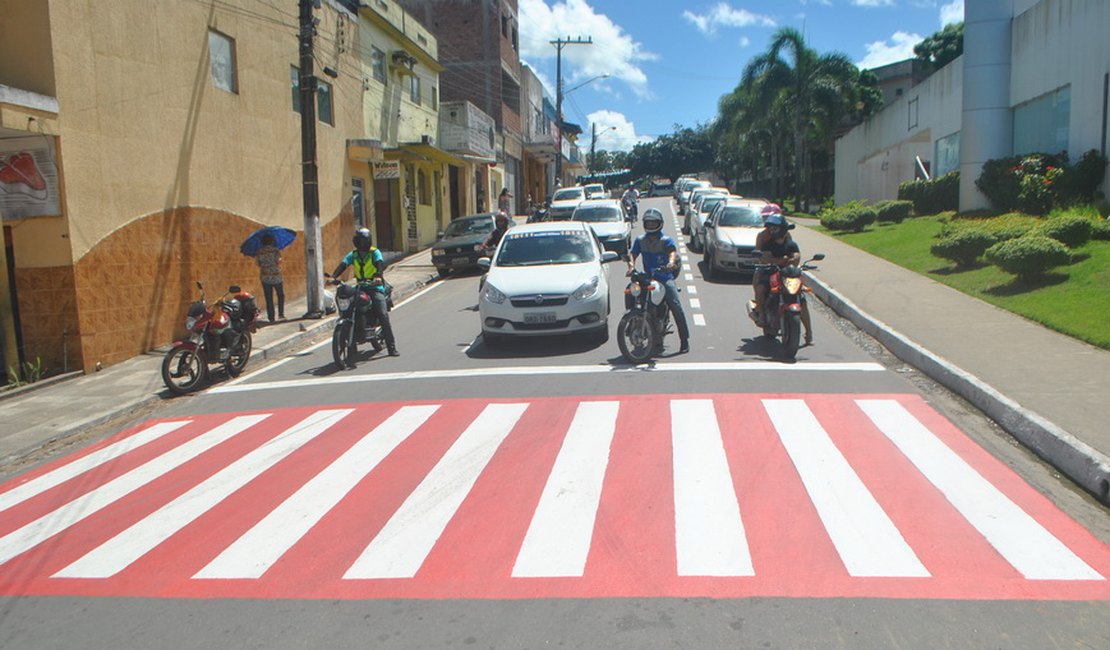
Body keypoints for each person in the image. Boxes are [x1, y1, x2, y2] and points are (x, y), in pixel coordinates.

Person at [627, 209, 690, 354]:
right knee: (630, 291)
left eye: (653, 222)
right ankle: (631, 321)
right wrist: (631, 266)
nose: (650, 225)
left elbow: (672, 253)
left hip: (664, 277)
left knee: (675, 304)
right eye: (648, 222)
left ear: (659, 224)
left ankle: (684, 339)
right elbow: (633, 254)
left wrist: (670, 263)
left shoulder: (666, 240)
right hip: (648, 277)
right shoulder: (640, 240)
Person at [331, 228, 398, 356]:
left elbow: (379, 264)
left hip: (375, 287)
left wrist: (378, 276)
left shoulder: (375, 252)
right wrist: (334, 276)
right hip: (361, 287)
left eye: (366, 240)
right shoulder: (354, 254)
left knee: (383, 314)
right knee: (350, 308)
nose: (364, 243)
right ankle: (353, 341)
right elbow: (343, 264)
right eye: (362, 240)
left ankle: (391, 347)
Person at [751, 213, 813, 345]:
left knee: (801, 298)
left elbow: (796, 256)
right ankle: (761, 313)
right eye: (771, 228)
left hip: (787, 274)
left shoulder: (790, 243)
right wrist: (781, 260)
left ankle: (809, 331)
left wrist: (789, 260)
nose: (772, 231)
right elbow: (765, 258)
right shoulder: (766, 242)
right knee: (761, 288)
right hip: (770, 271)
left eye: (775, 228)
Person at [254, 233, 285, 323]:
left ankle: (271, 317)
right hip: (276, 276)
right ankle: (281, 314)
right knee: (280, 295)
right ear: (272, 241)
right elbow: (278, 261)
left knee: (268, 297)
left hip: (265, 277)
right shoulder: (276, 251)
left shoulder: (260, 252)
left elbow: (258, 264)